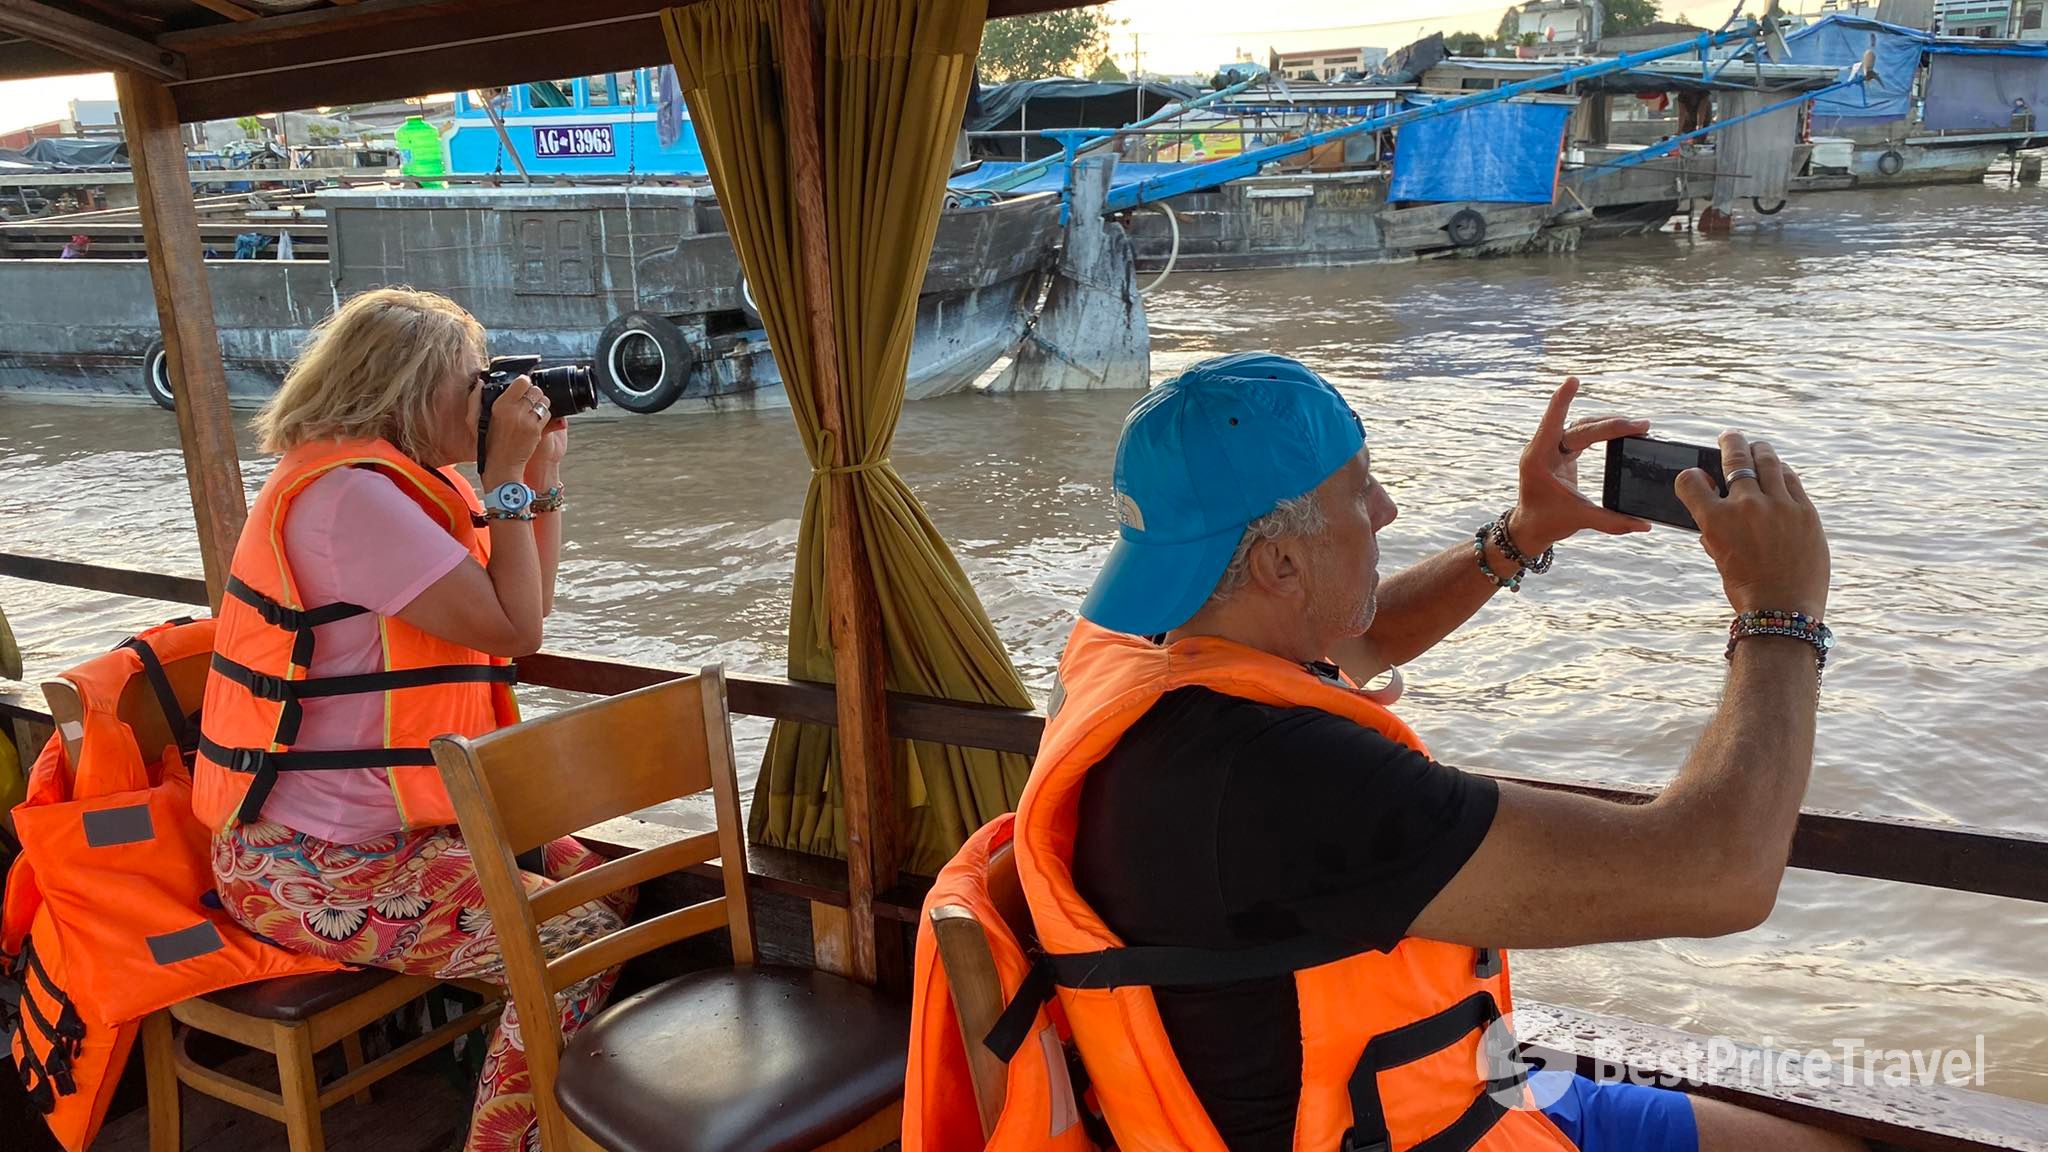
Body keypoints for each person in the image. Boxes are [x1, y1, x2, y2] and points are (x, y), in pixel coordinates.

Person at [1016, 353, 1851, 1152]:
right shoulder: (1282, 779)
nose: (1386, 510)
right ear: (1278, 561)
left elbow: (1357, 636)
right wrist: (1781, 607)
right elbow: (1718, 873)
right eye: (1359, 491)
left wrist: (1521, 534)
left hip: (1458, 1098)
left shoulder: (1125, 648)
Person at [194, 287, 626, 1152]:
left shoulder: (387, 482)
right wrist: (501, 477)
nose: (486, 402)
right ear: (403, 392)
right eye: (471, 385)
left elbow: (523, 609)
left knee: (607, 879)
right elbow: (518, 628)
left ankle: (501, 1057)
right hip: (314, 862)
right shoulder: (350, 501)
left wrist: (536, 482)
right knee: (578, 940)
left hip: (406, 827)